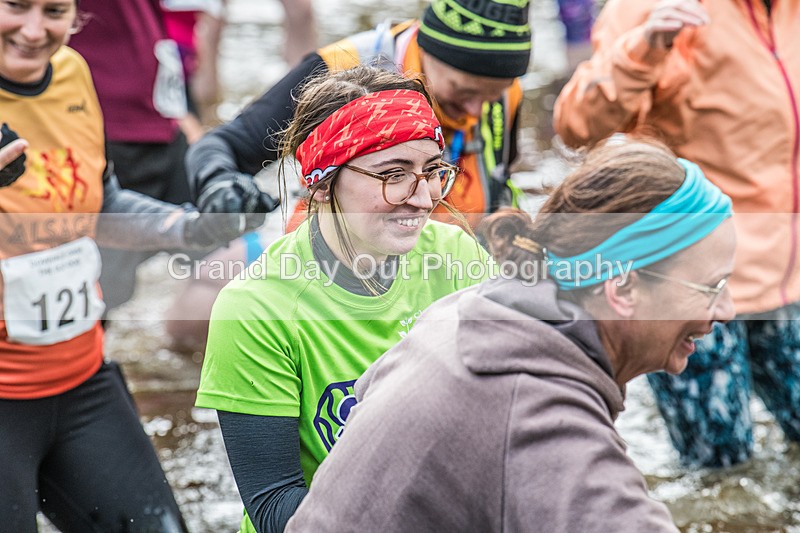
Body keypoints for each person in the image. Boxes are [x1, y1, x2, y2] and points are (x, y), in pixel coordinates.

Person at [285, 138, 736, 532]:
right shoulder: (539, 417)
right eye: (711, 288)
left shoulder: (472, 309)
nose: (727, 311)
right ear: (622, 287)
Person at [195, 65, 494, 533]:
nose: (423, 198)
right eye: (393, 174)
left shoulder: (457, 256)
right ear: (320, 183)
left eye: (433, 171)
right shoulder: (256, 309)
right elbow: (274, 507)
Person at [0, 0, 251, 530]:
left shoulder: (71, 71)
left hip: (81, 385)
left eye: (53, 10)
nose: (34, 30)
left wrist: (193, 228)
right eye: (15, 6)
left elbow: (101, 203)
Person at [166, 0, 533, 348]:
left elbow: (500, 182)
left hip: (444, 250)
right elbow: (223, 145)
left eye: (492, 95)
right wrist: (219, 185)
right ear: (428, 51)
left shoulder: (501, 86)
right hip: (343, 246)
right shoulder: (338, 68)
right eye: (463, 92)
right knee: (202, 300)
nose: (475, 110)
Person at [553, 0, 800, 468]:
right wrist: (644, 48)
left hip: (789, 282)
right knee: (720, 472)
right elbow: (576, 126)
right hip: (691, 289)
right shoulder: (654, 9)